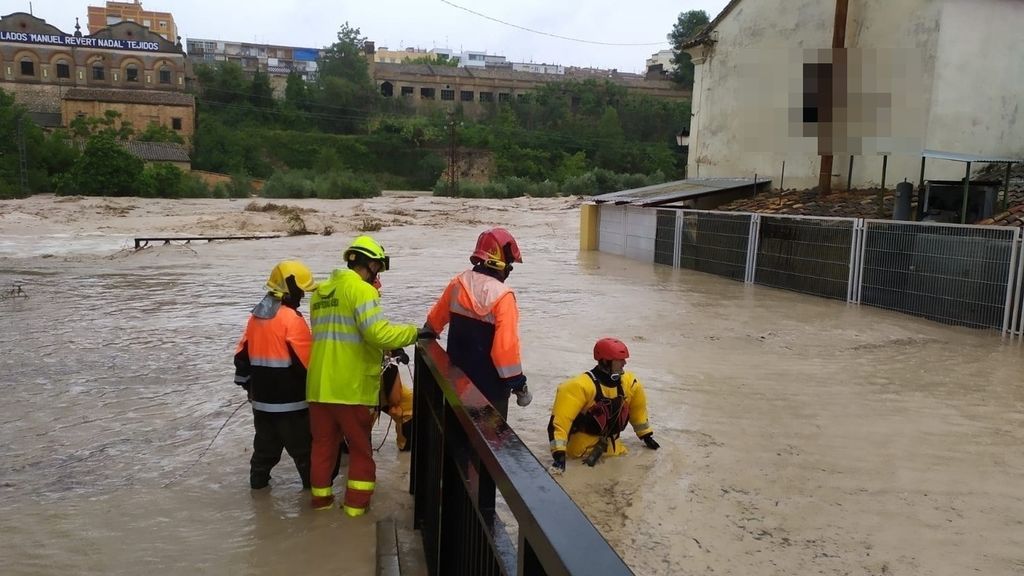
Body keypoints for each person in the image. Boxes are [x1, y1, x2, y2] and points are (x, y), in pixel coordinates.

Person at [306, 235, 435, 515]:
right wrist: (415, 333)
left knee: (322, 447)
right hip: (349, 388)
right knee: (361, 450)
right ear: (369, 264)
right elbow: (376, 332)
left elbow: (342, 337)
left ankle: (321, 505)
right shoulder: (362, 291)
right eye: (378, 266)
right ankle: (355, 510)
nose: (378, 273)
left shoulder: (321, 292)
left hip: (317, 386)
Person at [424, 228, 530, 419]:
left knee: (457, 439)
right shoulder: (504, 297)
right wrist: (519, 386)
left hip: (456, 384)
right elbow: (504, 353)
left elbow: (432, 324)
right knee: (491, 444)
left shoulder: (458, 284)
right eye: (509, 266)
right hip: (490, 393)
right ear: (501, 263)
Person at [233, 260, 318, 490]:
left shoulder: (255, 318)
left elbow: (241, 358)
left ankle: (258, 494)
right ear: (290, 289)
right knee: (305, 455)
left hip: (261, 404)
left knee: (264, 452)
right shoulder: (293, 319)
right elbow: (308, 366)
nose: (302, 296)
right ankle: (316, 509)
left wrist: (249, 386)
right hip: (292, 406)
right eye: (301, 291)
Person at [547, 337, 660, 475]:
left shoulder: (630, 384)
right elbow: (559, 424)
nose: (624, 363)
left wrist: (646, 436)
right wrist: (559, 456)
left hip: (616, 453)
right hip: (580, 457)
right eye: (620, 360)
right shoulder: (577, 387)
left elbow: (638, 412)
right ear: (606, 361)